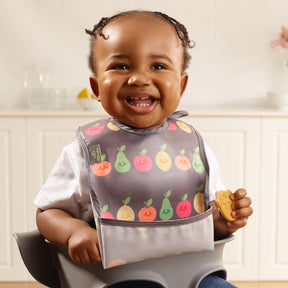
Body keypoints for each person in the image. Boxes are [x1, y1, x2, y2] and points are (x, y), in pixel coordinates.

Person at [35, 10, 253, 288]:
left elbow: (206, 222)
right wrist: (74, 231)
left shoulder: (194, 147)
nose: (139, 78)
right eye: (121, 66)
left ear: (182, 85)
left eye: (159, 67)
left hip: (194, 275)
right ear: (96, 87)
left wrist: (224, 219)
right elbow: (47, 213)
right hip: (119, 277)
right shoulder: (87, 152)